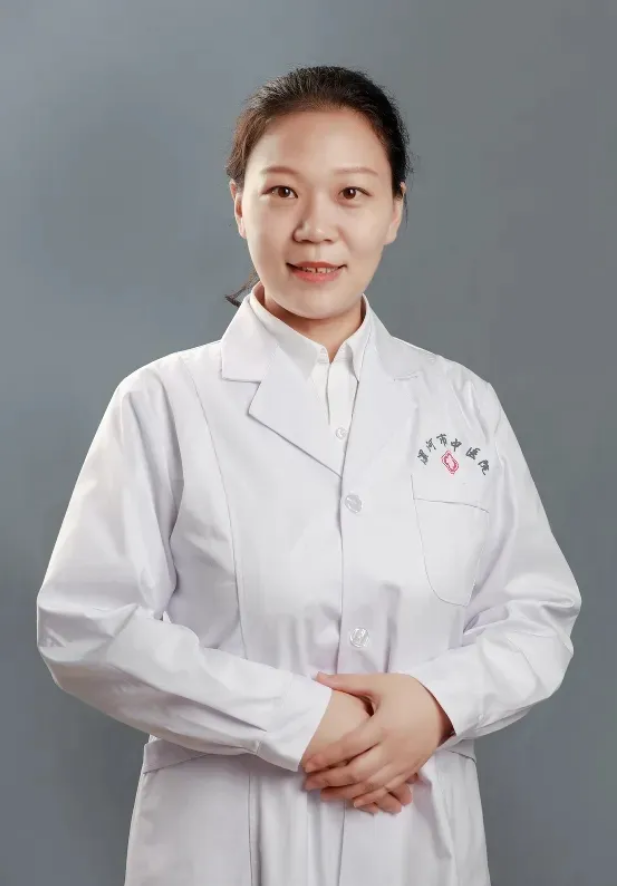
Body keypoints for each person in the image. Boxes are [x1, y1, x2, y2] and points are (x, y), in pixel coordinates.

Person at [36, 64, 581, 886]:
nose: (315, 228)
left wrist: (435, 706)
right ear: (239, 204)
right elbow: (88, 625)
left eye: (351, 194)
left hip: (413, 837)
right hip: (221, 838)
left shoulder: (460, 403)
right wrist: (299, 720)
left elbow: (534, 615)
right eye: (282, 192)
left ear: (394, 210)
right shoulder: (163, 403)